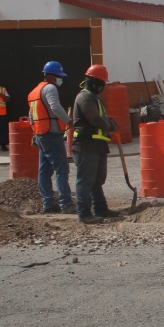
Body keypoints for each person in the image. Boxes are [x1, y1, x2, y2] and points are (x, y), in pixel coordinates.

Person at [71, 64, 120, 224]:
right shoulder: (84, 97)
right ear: (91, 80)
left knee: (97, 180)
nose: (102, 85)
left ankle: (100, 208)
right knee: (85, 180)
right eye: (100, 82)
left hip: (97, 145)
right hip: (86, 145)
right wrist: (109, 125)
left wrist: (109, 121)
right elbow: (94, 119)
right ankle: (84, 213)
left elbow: (102, 116)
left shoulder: (94, 98)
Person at [27, 61, 73, 214]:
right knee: (62, 168)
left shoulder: (34, 92)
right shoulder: (50, 88)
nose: (60, 79)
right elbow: (55, 106)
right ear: (50, 76)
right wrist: (69, 121)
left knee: (44, 171)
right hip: (52, 134)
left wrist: (35, 132)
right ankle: (66, 203)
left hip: (41, 134)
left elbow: (31, 115)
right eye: (59, 76)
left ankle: (49, 203)